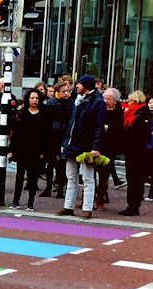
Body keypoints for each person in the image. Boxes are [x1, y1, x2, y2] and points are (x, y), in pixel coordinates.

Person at [56, 74, 107, 220]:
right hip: (74, 143)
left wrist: (95, 147)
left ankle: (87, 208)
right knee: (71, 176)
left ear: (86, 86)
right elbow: (71, 125)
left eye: (79, 84)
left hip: (86, 145)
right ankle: (68, 206)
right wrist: (65, 143)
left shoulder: (97, 102)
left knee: (88, 177)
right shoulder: (79, 101)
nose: (77, 86)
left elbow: (99, 127)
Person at [8, 89, 50, 211]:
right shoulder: (21, 113)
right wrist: (12, 150)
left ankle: (30, 203)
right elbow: (15, 133)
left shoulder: (44, 114)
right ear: (28, 99)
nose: (35, 100)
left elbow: (46, 135)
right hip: (22, 150)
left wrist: (43, 152)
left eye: (37, 98)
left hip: (36, 151)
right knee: (19, 176)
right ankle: (15, 201)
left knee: (33, 178)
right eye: (32, 98)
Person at [119, 91, 152, 216]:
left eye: (131, 101)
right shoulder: (131, 114)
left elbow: (141, 136)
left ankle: (134, 205)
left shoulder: (142, 115)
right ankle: (131, 204)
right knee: (131, 178)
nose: (129, 103)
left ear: (136, 102)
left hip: (139, 152)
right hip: (131, 151)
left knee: (136, 179)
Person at [43, 76, 74, 198]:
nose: (66, 93)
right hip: (52, 136)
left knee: (62, 164)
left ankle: (60, 188)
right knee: (50, 163)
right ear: (58, 92)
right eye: (63, 91)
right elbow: (46, 121)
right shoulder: (51, 104)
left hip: (64, 136)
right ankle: (48, 187)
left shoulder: (71, 103)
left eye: (67, 91)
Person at [96, 88, 124, 209]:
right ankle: (86, 198)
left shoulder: (119, 112)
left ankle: (101, 198)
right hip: (97, 144)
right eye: (105, 98)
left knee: (104, 174)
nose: (106, 101)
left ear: (115, 101)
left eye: (109, 99)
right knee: (90, 173)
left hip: (110, 146)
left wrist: (109, 128)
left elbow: (120, 130)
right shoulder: (99, 109)